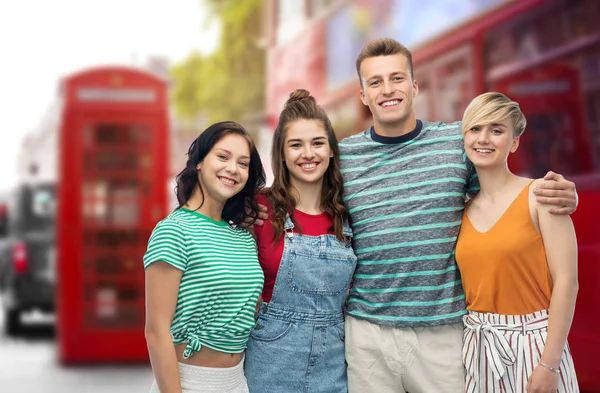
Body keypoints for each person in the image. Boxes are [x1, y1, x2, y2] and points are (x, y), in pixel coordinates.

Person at [337, 38, 579, 393]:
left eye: (397, 78)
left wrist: (562, 193)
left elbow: (503, 186)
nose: (388, 90)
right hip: (368, 335)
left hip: (444, 334)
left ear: (415, 86)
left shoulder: (457, 141)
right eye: (375, 82)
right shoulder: (344, 157)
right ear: (363, 95)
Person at [456, 92, 579, 393]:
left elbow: (567, 281)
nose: (483, 138)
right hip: (480, 348)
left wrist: (549, 364)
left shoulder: (541, 194)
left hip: (536, 345)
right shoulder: (461, 211)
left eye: (496, 130)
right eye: (475, 129)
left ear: (513, 142)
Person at [244, 89, 357, 392]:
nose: (308, 153)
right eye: (296, 145)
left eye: (318, 143)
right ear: (281, 152)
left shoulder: (347, 214)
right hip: (269, 361)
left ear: (332, 150)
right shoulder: (257, 208)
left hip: (334, 363)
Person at [144, 121, 266, 393]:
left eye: (243, 163)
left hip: (237, 382)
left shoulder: (244, 238)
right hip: (189, 383)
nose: (233, 169)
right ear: (199, 161)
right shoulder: (174, 231)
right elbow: (156, 332)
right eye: (222, 156)